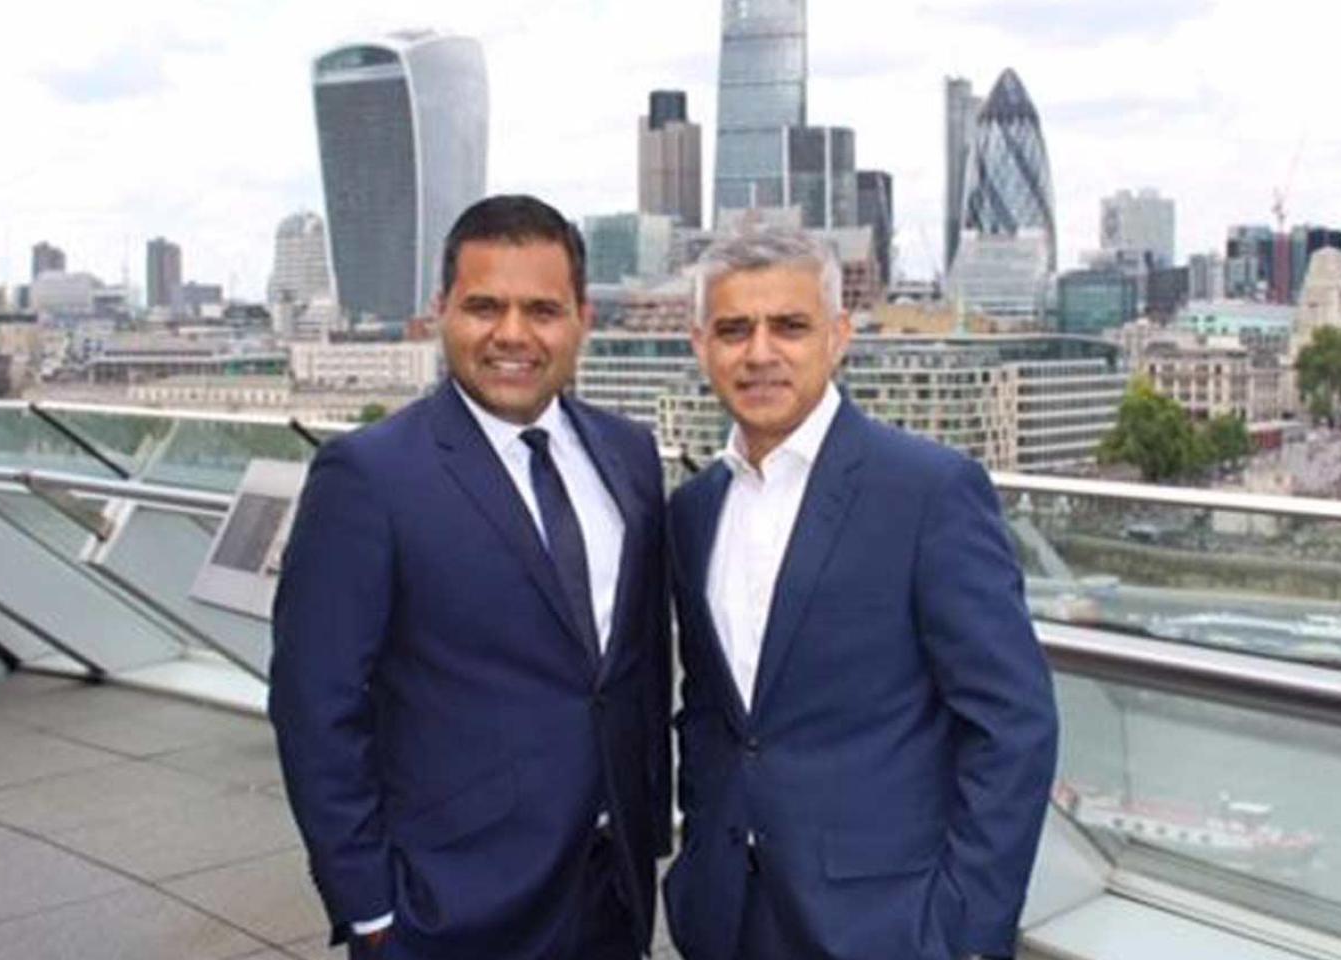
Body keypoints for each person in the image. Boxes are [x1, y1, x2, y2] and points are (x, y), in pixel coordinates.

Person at [270, 195, 671, 960]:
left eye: (542, 310)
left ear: (582, 316)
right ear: (441, 311)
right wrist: (370, 907)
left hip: (611, 893)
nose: (512, 335)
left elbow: (635, 667)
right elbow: (313, 704)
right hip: (446, 909)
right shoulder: (368, 476)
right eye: (484, 306)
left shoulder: (630, 456)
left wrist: (643, 833)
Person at [662, 226, 1057, 960]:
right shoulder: (693, 511)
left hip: (889, 926)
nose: (759, 352)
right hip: (728, 917)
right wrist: (695, 874)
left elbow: (1013, 726)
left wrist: (964, 931)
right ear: (699, 344)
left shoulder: (929, 491)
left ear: (839, 336)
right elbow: (712, 718)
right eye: (733, 329)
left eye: (790, 326)